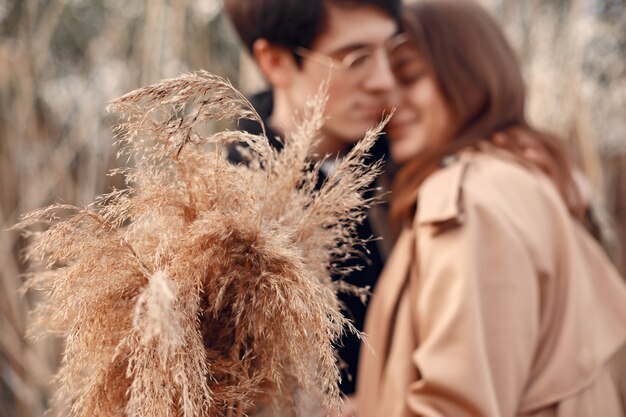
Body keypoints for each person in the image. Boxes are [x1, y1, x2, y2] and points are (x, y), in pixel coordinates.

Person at [354, 1, 626, 416]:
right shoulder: (526, 179)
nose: (391, 101)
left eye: (408, 76)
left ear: (469, 75)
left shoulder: (469, 200)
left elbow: (459, 406)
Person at [223, 0, 403, 395]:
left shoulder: (412, 169)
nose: (386, 81)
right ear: (275, 62)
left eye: (393, 52)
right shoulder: (227, 219)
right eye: (356, 59)